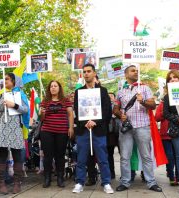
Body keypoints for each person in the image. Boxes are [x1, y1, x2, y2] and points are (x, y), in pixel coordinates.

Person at [113, 65, 162, 192]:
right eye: (133, 70)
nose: (136, 72)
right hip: (126, 128)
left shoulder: (144, 88)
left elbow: (152, 105)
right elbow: (115, 109)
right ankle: (125, 182)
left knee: (146, 156)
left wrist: (143, 101)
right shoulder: (120, 91)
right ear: (126, 74)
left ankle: (151, 182)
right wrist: (120, 115)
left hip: (142, 127)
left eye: (137, 70)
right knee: (124, 156)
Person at [72, 63, 114, 194]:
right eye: (84, 72)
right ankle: (79, 182)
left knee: (102, 158)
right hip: (83, 130)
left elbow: (107, 111)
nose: (86, 74)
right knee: (81, 159)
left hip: (99, 130)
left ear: (94, 73)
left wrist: (95, 121)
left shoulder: (103, 91)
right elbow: (77, 112)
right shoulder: (79, 92)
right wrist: (85, 122)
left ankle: (106, 182)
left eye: (89, 71)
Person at [0, 73, 29, 194]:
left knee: (17, 155)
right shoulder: (1, 94)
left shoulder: (20, 94)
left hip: (16, 127)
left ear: (14, 81)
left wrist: (14, 105)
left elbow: (26, 109)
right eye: (4, 79)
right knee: (1, 154)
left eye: (7, 79)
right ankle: (1, 183)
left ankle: (17, 183)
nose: (4, 81)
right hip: (2, 128)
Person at [39, 80, 74, 188]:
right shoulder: (45, 101)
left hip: (62, 131)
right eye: (51, 86)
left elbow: (70, 114)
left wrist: (71, 128)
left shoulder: (65, 100)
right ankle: (47, 178)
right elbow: (41, 118)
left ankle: (60, 178)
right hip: (47, 131)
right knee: (47, 156)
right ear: (49, 89)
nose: (53, 88)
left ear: (59, 88)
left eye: (55, 86)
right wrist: (42, 113)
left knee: (60, 156)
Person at [155, 95, 179, 186]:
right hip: (166, 136)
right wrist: (165, 111)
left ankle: (178, 176)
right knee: (169, 157)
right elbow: (156, 118)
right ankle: (171, 177)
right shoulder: (162, 104)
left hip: (178, 134)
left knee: (178, 157)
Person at [107, 92, 120, 179]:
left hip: (120, 132)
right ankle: (111, 173)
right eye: (108, 96)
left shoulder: (119, 105)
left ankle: (127, 174)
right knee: (109, 154)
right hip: (109, 133)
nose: (110, 97)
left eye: (111, 96)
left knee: (123, 154)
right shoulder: (105, 106)